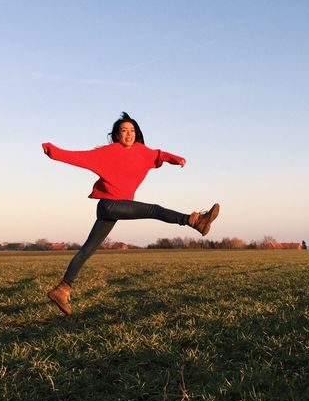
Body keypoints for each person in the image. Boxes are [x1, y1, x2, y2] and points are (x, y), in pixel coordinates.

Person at [42, 112, 220, 315]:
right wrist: (53, 151)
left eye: (132, 130)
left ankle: (62, 289)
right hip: (110, 205)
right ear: (117, 135)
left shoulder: (142, 151)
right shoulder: (109, 151)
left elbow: (158, 154)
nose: (129, 134)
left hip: (113, 208)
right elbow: (79, 157)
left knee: (87, 250)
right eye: (124, 131)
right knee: (154, 210)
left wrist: (175, 158)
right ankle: (195, 221)